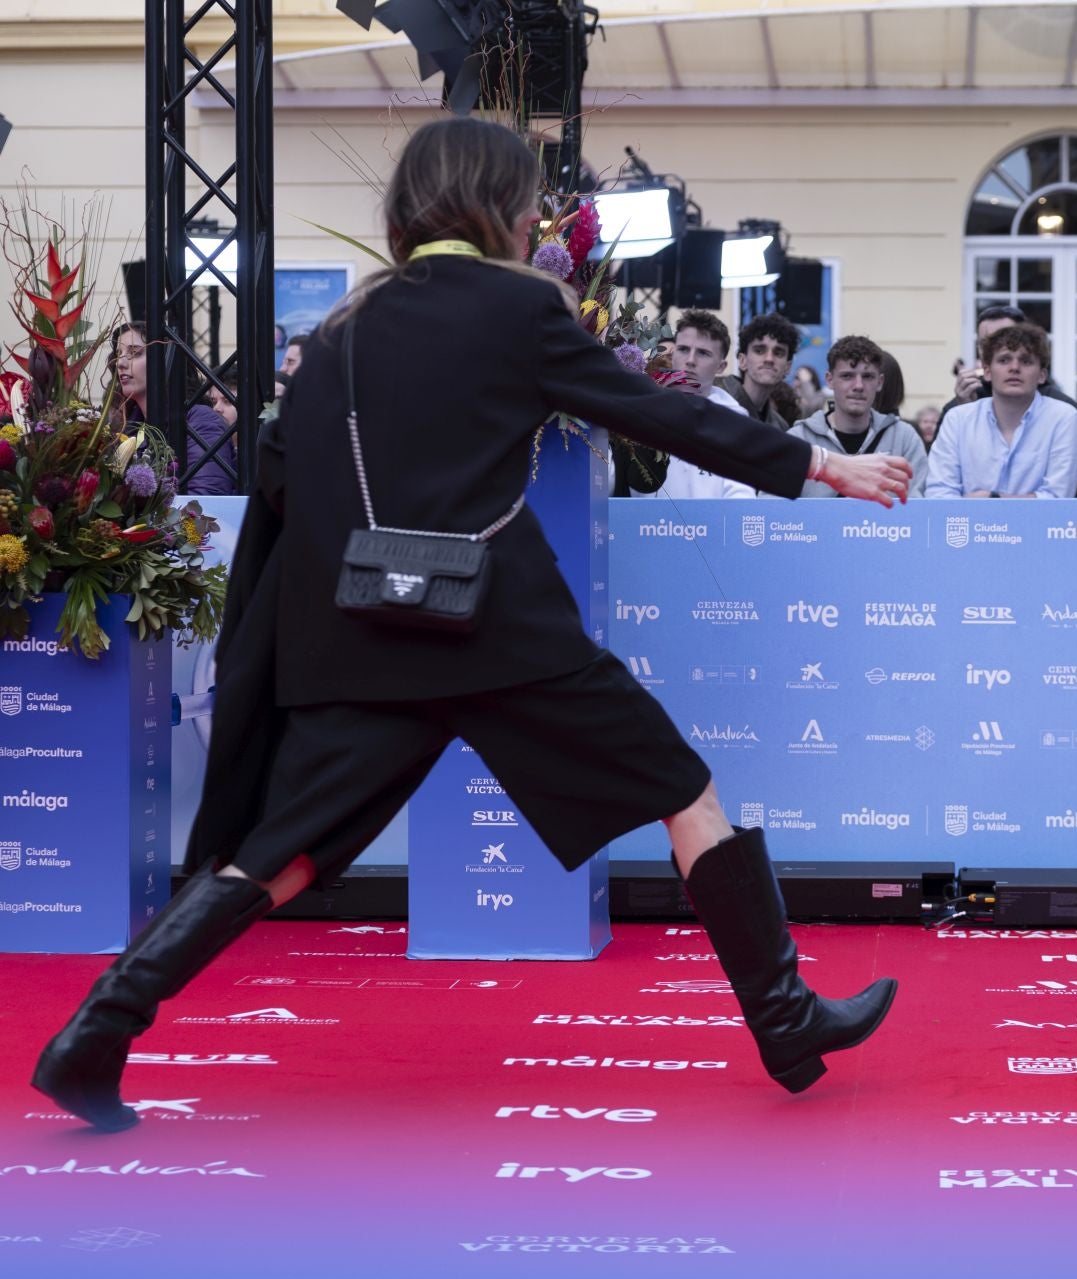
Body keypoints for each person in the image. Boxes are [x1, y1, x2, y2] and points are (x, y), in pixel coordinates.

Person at [32, 116, 913, 1133]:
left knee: (281, 854)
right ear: (499, 205)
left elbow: (279, 482)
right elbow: (654, 410)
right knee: (685, 790)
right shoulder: (517, 307)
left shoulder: (342, 333)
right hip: (502, 633)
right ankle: (787, 1019)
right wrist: (815, 465)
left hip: (365, 631)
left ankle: (96, 1029)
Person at [924, 322, 1077, 498]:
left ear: (1042, 376)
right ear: (986, 372)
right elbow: (938, 494)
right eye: (1004, 360)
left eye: (1026, 361)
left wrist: (991, 499)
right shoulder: (957, 419)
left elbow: (1058, 498)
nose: (1014, 368)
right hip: (967, 525)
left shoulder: (1064, 418)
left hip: (1038, 526)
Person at [107, 322, 239, 496]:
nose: (121, 363)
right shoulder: (130, 426)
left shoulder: (200, 420)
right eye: (119, 354)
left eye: (135, 353)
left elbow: (205, 503)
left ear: (165, 361)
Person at [790, 336, 927, 498]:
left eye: (867, 376)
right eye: (847, 376)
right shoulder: (799, 439)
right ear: (830, 380)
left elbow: (918, 510)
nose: (858, 386)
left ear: (880, 382)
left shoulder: (904, 439)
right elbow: (772, 508)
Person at [656, 310, 757, 498]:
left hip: (713, 525)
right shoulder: (645, 408)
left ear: (721, 367)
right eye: (683, 349)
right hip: (642, 525)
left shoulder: (734, 420)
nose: (690, 361)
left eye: (703, 353)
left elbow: (741, 493)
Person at [940, 303, 1077, 421]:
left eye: (1007, 340)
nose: (995, 349)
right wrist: (965, 411)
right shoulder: (957, 407)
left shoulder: (1063, 410)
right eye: (985, 343)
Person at [715, 312, 798, 430]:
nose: (769, 359)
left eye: (778, 353)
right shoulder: (714, 400)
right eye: (759, 351)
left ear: (787, 367)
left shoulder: (780, 427)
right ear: (742, 361)